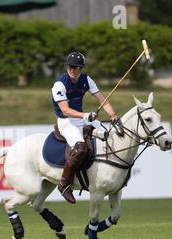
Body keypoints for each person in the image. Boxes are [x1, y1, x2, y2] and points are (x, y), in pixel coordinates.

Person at [51, 52, 123, 204]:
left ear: (80, 68)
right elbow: (65, 110)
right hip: (66, 121)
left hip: (81, 119)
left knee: (108, 135)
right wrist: (85, 115)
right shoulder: (60, 84)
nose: (72, 69)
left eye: (75, 67)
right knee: (81, 147)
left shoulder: (86, 80)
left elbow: (102, 100)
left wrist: (113, 115)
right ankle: (64, 184)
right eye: (70, 66)